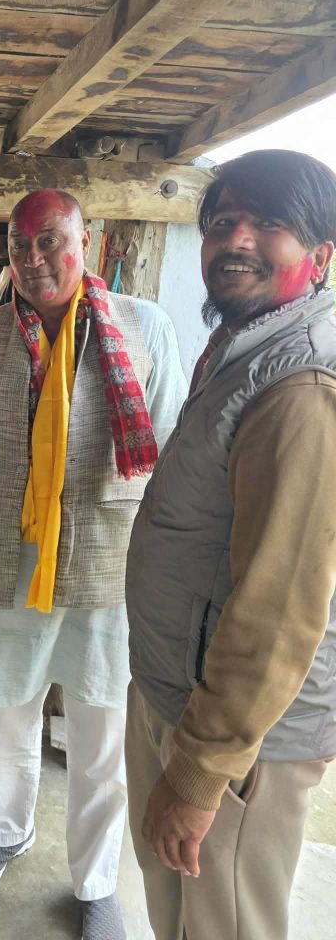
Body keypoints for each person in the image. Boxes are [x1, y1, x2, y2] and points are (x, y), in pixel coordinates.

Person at [0, 188, 185, 939]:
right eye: (20, 245)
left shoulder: (144, 327)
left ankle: (96, 883)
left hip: (107, 568)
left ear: (86, 240)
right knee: (6, 719)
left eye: (49, 240)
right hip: (8, 562)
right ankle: (7, 831)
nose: (34, 258)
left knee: (100, 738)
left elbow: (171, 453)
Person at [125, 149, 336, 940]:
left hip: (241, 742)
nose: (236, 239)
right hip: (183, 695)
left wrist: (202, 772)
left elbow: (279, 612)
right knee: (179, 911)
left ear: (320, 257)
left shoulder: (299, 388)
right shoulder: (245, 348)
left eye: (269, 222)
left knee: (227, 924)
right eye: (223, 222)